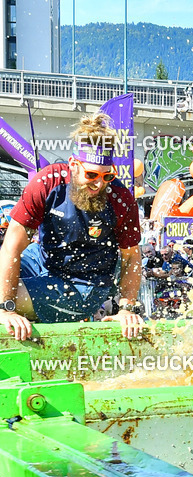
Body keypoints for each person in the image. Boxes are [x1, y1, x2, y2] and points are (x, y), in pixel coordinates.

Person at [0, 113, 143, 340]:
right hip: (41, 261)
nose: (99, 183)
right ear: (73, 165)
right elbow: (11, 247)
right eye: (92, 174)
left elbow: (132, 257)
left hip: (86, 285)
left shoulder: (121, 198)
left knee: (8, 297)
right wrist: (5, 309)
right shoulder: (47, 182)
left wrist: (126, 309)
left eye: (108, 176)